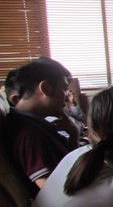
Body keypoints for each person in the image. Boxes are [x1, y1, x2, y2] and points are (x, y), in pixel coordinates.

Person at [3, 58, 81, 189]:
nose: (67, 97)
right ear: (45, 88)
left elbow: (69, 166)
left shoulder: (33, 124)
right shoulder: (30, 134)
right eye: (64, 88)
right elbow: (55, 191)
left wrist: (74, 135)